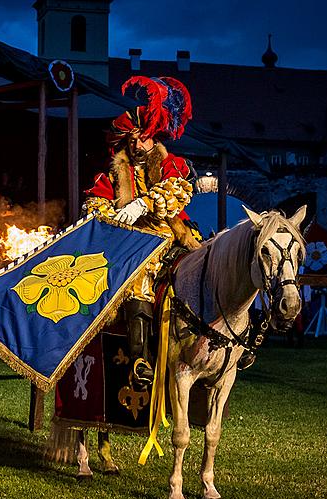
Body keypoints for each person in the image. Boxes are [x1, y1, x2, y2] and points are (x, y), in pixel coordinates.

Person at [84, 75, 201, 385]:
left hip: (176, 236)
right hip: (138, 246)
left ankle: (228, 343)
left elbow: (176, 191)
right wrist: (110, 215)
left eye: (142, 138)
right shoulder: (111, 174)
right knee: (139, 279)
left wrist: (144, 203)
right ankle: (140, 358)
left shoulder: (169, 163)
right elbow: (94, 207)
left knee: (214, 264)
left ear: (153, 138)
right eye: (131, 140)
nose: (137, 145)